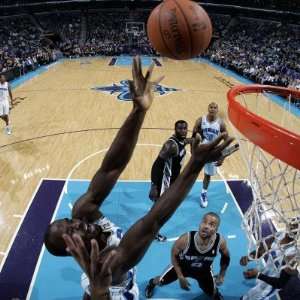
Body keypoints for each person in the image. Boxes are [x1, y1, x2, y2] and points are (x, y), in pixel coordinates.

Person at [44, 56, 235, 300]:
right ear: (73, 251)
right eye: (71, 232)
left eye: (68, 221)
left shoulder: (82, 212)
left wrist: (138, 110)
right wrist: (194, 165)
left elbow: (110, 169)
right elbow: (153, 221)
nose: (76, 223)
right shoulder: (109, 263)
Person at [145, 212, 230, 300]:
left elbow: (226, 257)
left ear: (216, 229)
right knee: (160, 281)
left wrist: (222, 275)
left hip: (203, 271)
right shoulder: (185, 239)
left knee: (212, 292)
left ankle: (215, 293)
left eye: (211, 224)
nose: (206, 226)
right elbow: (174, 255)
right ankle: (151, 283)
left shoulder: (220, 242)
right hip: (182, 267)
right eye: (204, 222)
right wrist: (180, 276)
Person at [149, 119, 191, 241]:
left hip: (173, 181)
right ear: (175, 129)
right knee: (159, 209)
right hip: (164, 182)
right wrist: (154, 186)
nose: (183, 131)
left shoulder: (182, 141)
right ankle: (152, 232)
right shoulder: (171, 145)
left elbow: (187, 141)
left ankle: (151, 226)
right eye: (180, 128)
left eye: (185, 128)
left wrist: (194, 140)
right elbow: (156, 165)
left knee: (162, 208)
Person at [240, 219, 299, 300]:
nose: (292, 227)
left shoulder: (292, 254)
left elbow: (280, 284)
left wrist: (258, 275)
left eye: (296, 228)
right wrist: (249, 258)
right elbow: (263, 249)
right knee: (246, 296)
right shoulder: (280, 235)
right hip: (265, 273)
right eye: (292, 224)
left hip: (271, 285)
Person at [192, 102, 228, 208]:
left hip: (213, 151)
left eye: (215, 107)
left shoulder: (221, 124)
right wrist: (193, 150)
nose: (212, 109)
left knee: (207, 175)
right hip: (202, 148)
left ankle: (203, 193)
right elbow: (194, 134)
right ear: (208, 108)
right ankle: (182, 188)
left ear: (217, 110)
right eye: (211, 107)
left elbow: (226, 141)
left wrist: (222, 157)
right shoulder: (200, 120)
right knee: (192, 170)